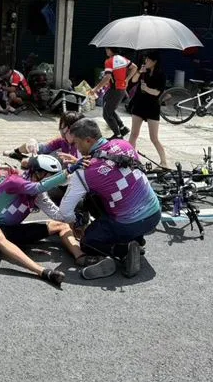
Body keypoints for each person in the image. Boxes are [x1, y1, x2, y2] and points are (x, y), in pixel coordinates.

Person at [57, 118, 162, 280]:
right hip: (154, 214)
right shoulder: (124, 144)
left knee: (88, 241)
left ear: (88, 140)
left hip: (129, 224)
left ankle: (124, 250)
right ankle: (137, 240)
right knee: (109, 193)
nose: (76, 147)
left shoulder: (84, 172)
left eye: (77, 143)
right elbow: (112, 168)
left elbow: (64, 212)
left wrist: (73, 224)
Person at [0, 155, 88, 287]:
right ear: (38, 173)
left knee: (61, 225)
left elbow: (57, 215)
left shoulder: (39, 194)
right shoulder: (14, 181)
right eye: (50, 176)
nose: (53, 180)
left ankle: (81, 257)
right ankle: (43, 272)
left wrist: (75, 218)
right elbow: (37, 187)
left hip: (13, 232)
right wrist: (68, 171)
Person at [127, 51, 168, 168]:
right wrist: (140, 72)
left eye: (148, 60)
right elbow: (134, 81)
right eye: (146, 59)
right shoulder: (144, 71)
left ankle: (164, 162)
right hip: (139, 105)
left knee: (154, 138)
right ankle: (129, 157)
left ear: (154, 62)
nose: (146, 61)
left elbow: (157, 92)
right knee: (134, 134)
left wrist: (147, 88)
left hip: (152, 107)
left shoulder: (161, 75)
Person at [89, 48, 137, 139]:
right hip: (120, 90)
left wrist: (95, 89)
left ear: (111, 50)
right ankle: (122, 128)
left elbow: (107, 78)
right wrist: (127, 80)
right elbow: (134, 67)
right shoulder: (123, 59)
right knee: (109, 109)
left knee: (107, 114)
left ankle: (118, 135)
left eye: (107, 49)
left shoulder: (109, 61)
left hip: (115, 90)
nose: (106, 51)